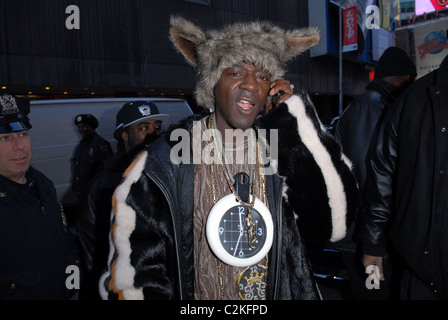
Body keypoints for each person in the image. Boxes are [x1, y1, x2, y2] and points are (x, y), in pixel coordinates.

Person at [100, 16, 357, 300]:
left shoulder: (279, 151)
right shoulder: (165, 162)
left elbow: (335, 225)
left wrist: (297, 125)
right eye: (236, 73)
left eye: (262, 76)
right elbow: (134, 276)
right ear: (212, 85)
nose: (251, 85)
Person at [359, 54, 448, 300]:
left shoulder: (392, 101)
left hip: (405, 248)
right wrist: (374, 238)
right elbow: (377, 171)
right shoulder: (404, 100)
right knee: (373, 291)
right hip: (420, 265)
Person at [333, 46, 416, 299]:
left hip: (368, 232)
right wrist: (376, 239)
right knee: (374, 294)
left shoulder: (378, 105)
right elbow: (368, 176)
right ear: (405, 78)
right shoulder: (371, 109)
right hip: (365, 235)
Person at [76, 101, 168, 300]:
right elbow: (93, 253)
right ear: (124, 135)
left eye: (157, 127)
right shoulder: (102, 187)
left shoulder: (166, 176)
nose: (153, 134)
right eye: (144, 127)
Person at [0, 94, 79, 299]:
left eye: (23, 134)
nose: (20, 146)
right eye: (5, 138)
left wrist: (73, 284)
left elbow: (63, 241)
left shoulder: (42, 184)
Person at [72, 113, 112, 199]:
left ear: (92, 127)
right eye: (79, 127)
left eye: (84, 126)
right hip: (84, 192)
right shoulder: (82, 145)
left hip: (95, 194)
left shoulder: (99, 144)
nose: (81, 129)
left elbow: (104, 171)